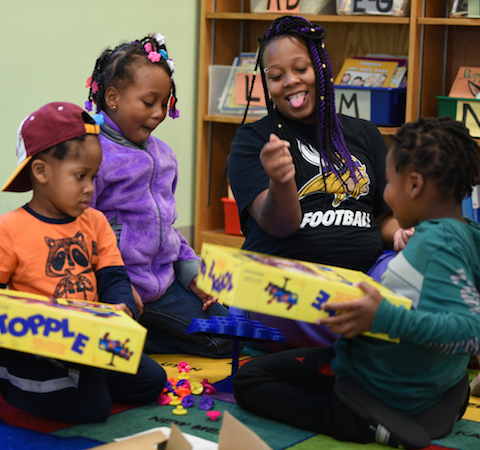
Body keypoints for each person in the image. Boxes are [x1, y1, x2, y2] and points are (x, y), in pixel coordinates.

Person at [233, 116, 480, 447]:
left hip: (379, 384)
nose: (386, 196)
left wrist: (383, 317)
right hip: (419, 378)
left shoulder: (438, 244)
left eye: (389, 183)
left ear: (415, 185)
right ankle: (436, 404)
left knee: (250, 379)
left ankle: (364, 423)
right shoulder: (463, 234)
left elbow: (469, 332)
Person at [227, 16, 411, 348]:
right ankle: (376, 332)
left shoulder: (365, 134)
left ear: (321, 68)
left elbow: (384, 217)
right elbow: (278, 226)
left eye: (301, 69)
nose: (291, 82)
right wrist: (281, 181)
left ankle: (366, 328)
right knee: (263, 295)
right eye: (277, 76)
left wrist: (399, 234)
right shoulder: (252, 140)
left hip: (365, 279)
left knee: (425, 263)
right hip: (286, 286)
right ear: (266, 84)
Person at [0, 102, 166, 423]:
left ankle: (81, 382)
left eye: (93, 176)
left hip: (89, 342)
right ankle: (11, 379)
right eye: (80, 176)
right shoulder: (9, 229)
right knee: (94, 408)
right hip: (39, 346)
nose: (90, 188)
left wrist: (121, 308)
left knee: (151, 379)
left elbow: (114, 277)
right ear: (42, 172)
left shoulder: (95, 221)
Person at [85, 33, 235, 357]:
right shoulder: (92, 152)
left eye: (164, 103)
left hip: (164, 285)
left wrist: (192, 273)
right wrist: (114, 288)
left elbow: (167, 227)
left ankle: (142, 336)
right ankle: (129, 334)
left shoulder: (163, 156)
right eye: (148, 102)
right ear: (113, 97)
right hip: (116, 286)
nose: (158, 113)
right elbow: (80, 231)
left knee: (228, 334)